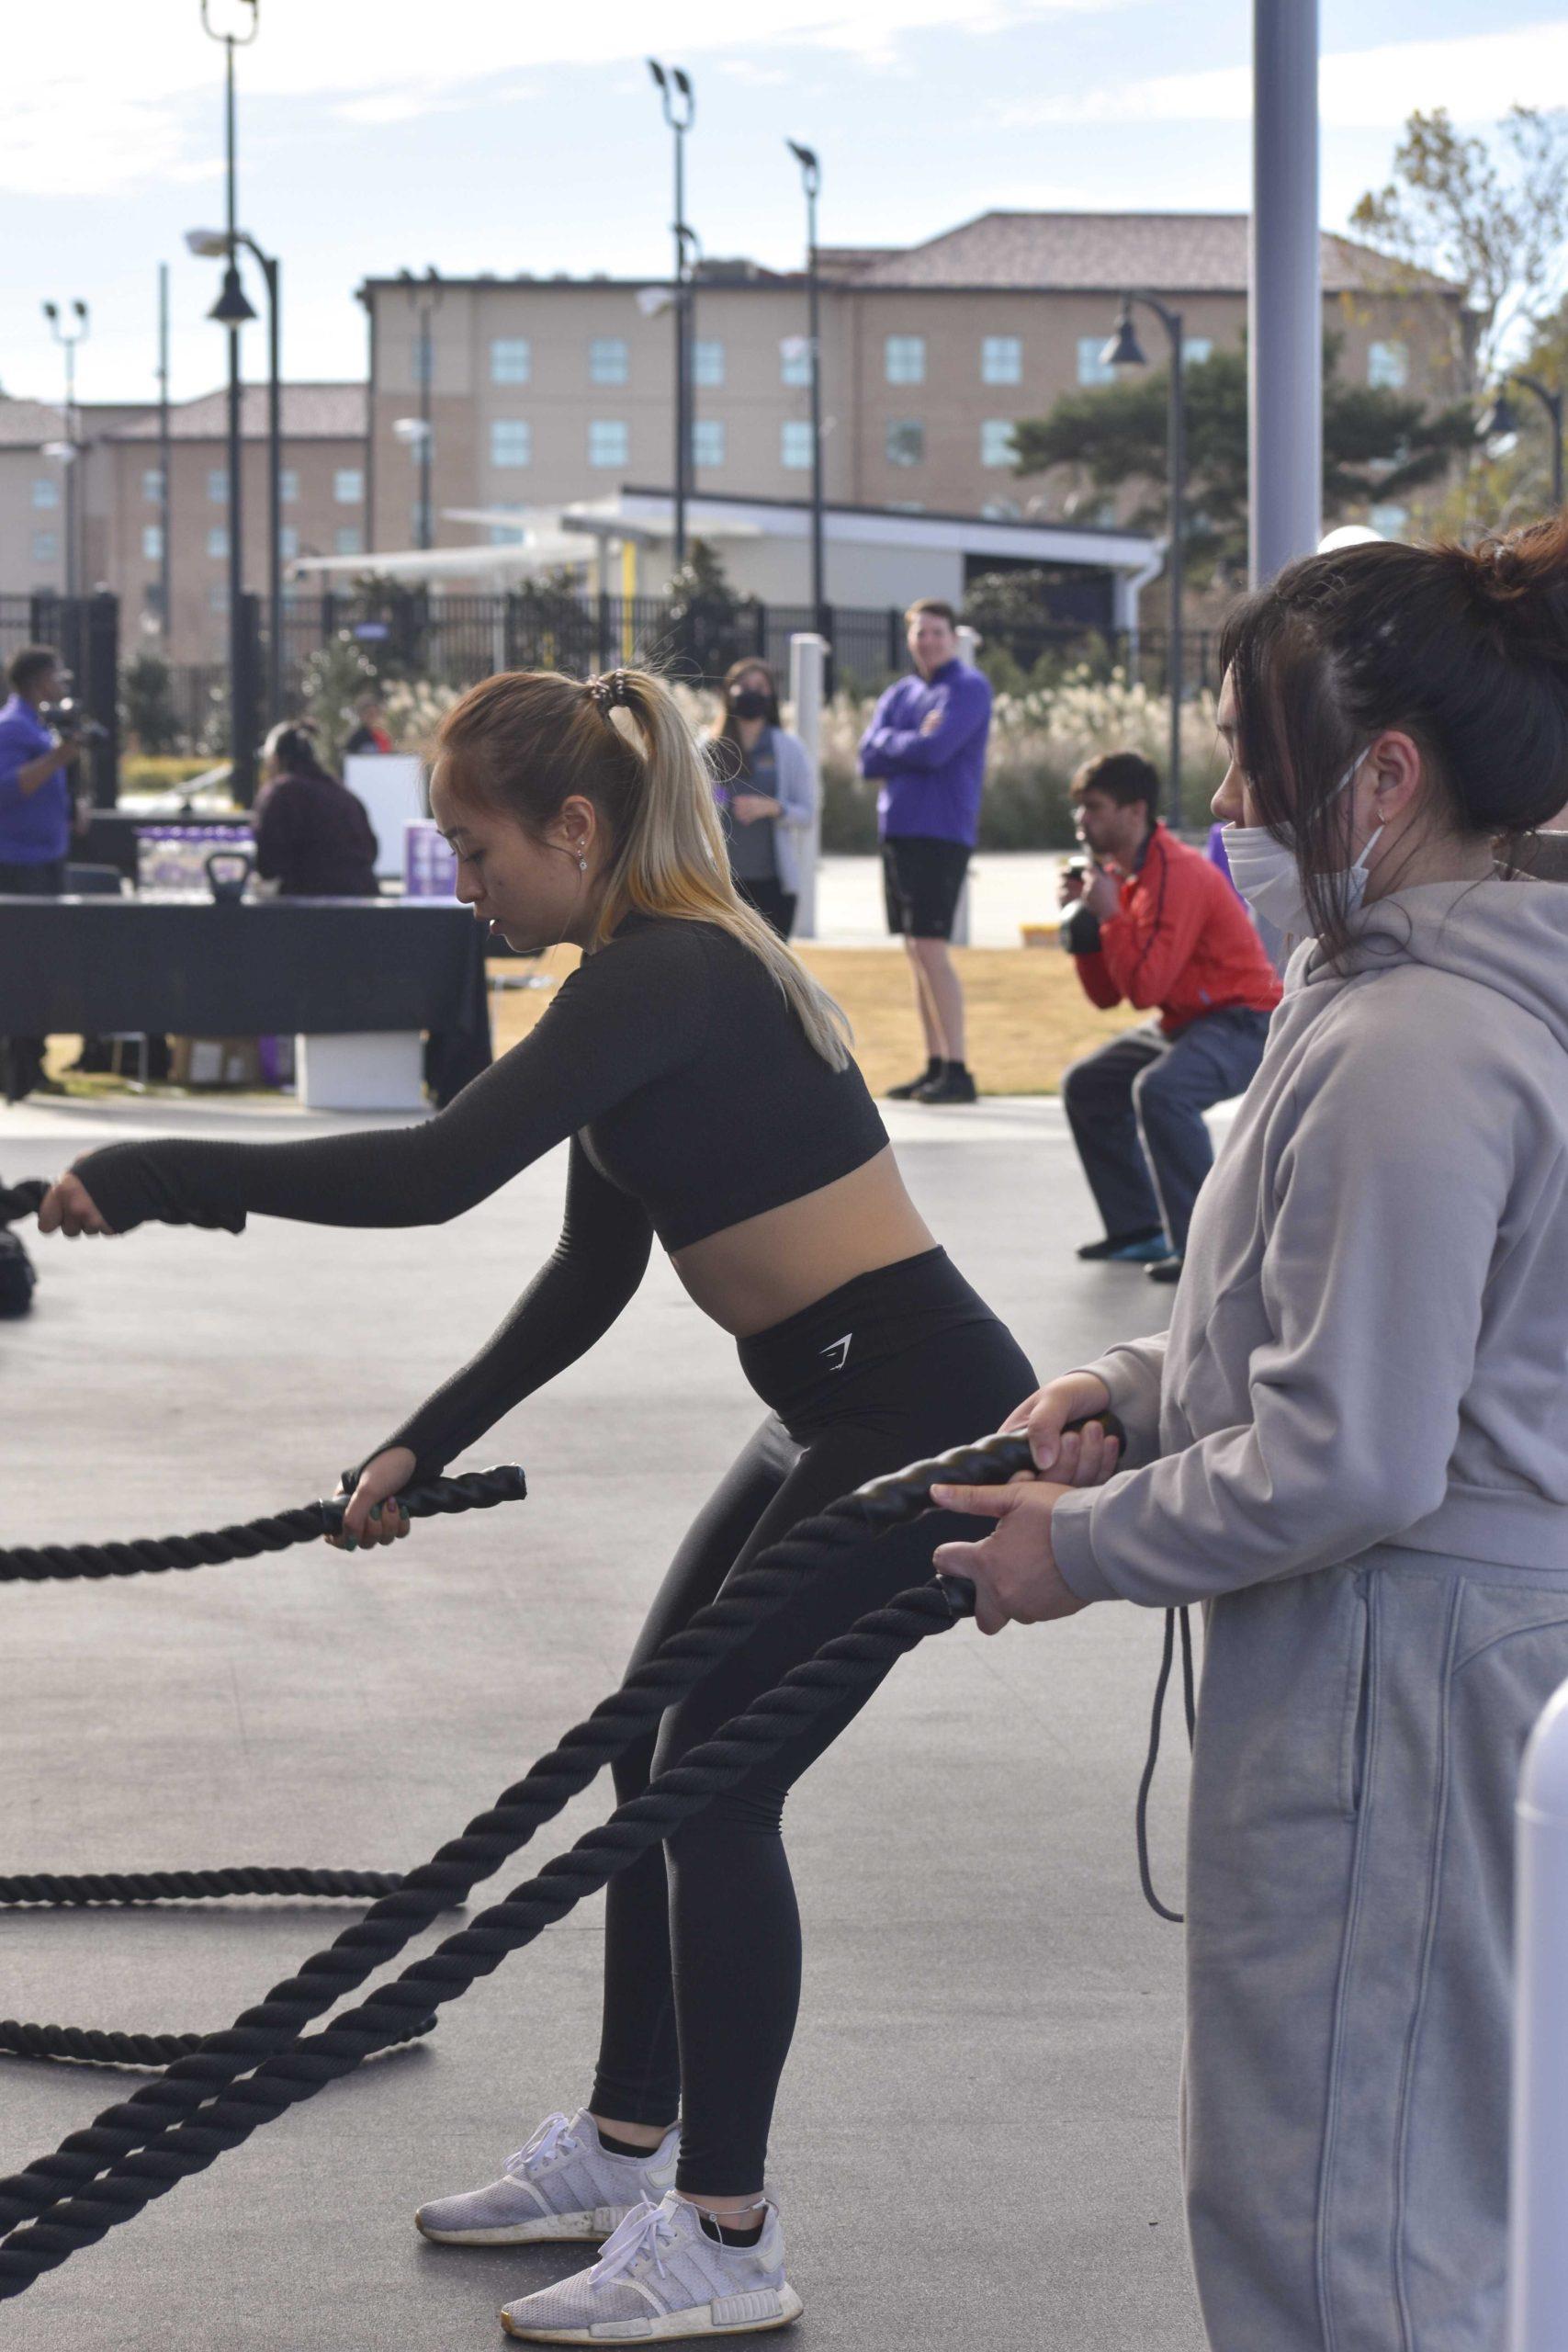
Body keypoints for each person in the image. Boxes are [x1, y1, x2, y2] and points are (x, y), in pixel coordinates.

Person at [39, 663, 1051, 2346]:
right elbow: (590, 1270)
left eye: (475, 843)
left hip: (921, 1414)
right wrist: (424, 1440)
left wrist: (163, 1176)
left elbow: (434, 1174)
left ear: (577, 828)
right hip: (833, 1404)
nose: (461, 876)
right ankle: (621, 2141)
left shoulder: (667, 976)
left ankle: (727, 2229)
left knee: (717, 1786)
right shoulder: (630, 980)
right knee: (657, 1757)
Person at [928, 518, 1568, 2352]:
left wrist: (1086, 1545)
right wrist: (1130, 1389)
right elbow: (1324, 1316)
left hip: (1399, 1674)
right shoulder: (1393, 1003)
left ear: (1383, 772)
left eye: (1247, 755)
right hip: (1432, 1670)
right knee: (1401, 2193)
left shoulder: (1419, 1038)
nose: (1218, 799)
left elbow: (1353, 1446)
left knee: (1335, 2224)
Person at [1057, 750, 1281, 1283]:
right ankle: (1138, 1230)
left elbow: (1145, 987)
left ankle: (1209, 1250)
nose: (1082, 821)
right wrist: (1087, 932)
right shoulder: (1122, 874)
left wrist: (1110, 917)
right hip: (1187, 1021)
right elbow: (1108, 996)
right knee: (1087, 1085)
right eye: (1079, 810)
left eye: (1093, 807)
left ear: (1135, 812)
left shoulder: (1175, 875)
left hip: (1245, 1023)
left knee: (1163, 1092)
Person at [857, 598, 992, 1103]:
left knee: (931, 948)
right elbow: (865, 759)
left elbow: (938, 752)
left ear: (952, 637)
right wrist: (909, 740)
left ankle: (958, 1068)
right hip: (898, 830)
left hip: (941, 831)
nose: (928, 641)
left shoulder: (969, 688)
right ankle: (934, 1063)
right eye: (920, 633)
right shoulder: (901, 693)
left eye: (937, 632)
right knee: (915, 950)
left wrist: (896, 745)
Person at [0, 644, 90, 1103]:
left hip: (45, 858)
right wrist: (59, 758)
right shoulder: (12, 727)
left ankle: (31, 1063)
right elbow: (8, 789)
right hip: (18, 865)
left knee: (42, 967)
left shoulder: (37, 725)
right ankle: (17, 1070)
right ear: (38, 681)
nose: (62, 685)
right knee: (22, 967)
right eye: (56, 676)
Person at [708, 657, 817, 938]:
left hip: (773, 885)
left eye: (759, 686)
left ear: (771, 695)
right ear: (728, 693)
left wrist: (773, 808)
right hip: (720, 886)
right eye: (743, 685)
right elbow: (693, 804)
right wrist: (723, 797)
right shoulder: (708, 747)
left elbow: (807, 813)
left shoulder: (788, 749)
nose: (751, 692)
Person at [253, 721, 379, 899]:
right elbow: (371, 851)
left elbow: (267, 865)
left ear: (275, 759)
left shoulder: (280, 793)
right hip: (365, 904)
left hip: (311, 907)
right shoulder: (343, 794)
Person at [344, 692, 393, 756]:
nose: (373, 717)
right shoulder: (357, 737)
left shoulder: (384, 736)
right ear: (361, 715)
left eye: (375, 713)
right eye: (369, 714)